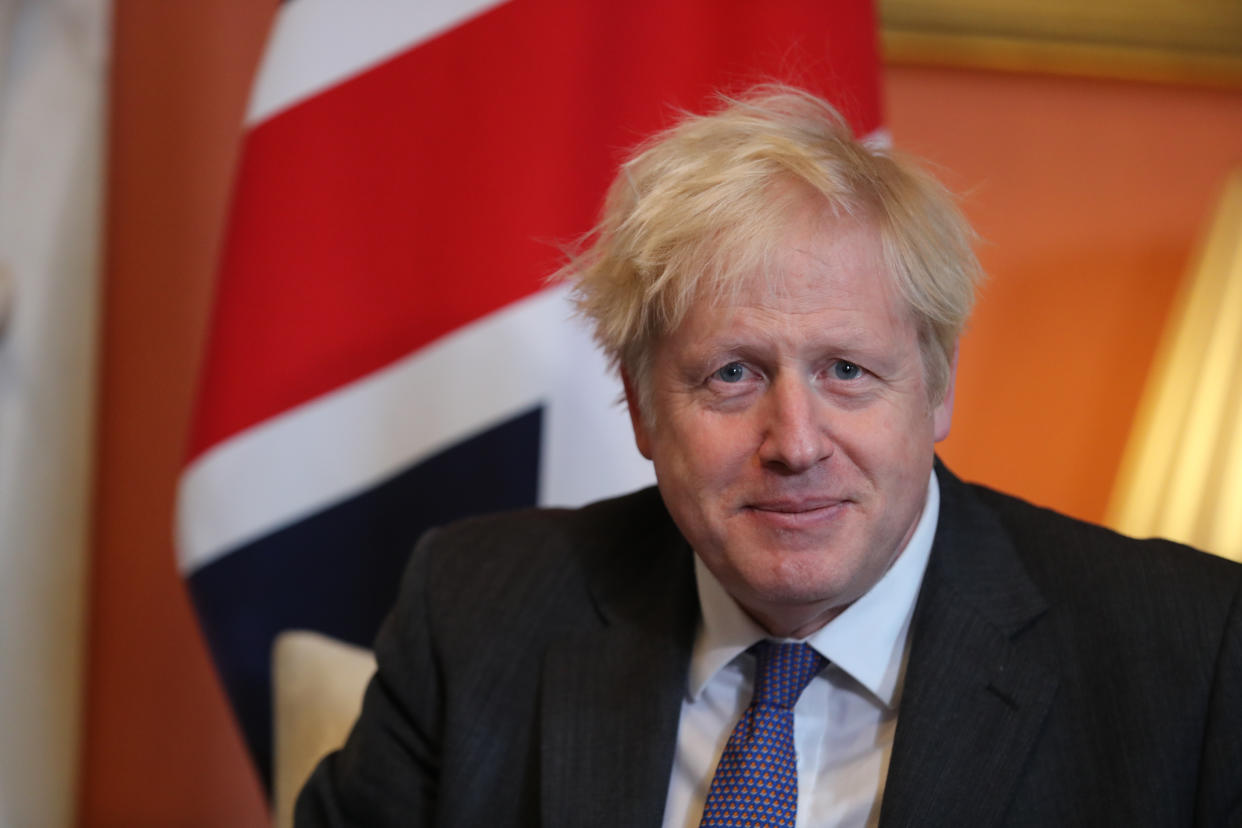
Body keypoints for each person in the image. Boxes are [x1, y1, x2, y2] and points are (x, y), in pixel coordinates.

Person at [295, 86, 1242, 827]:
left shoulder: (1190, 658)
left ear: (939, 384)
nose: (794, 444)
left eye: (846, 370)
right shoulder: (475, 612)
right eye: (733, 375)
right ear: (638, 405)